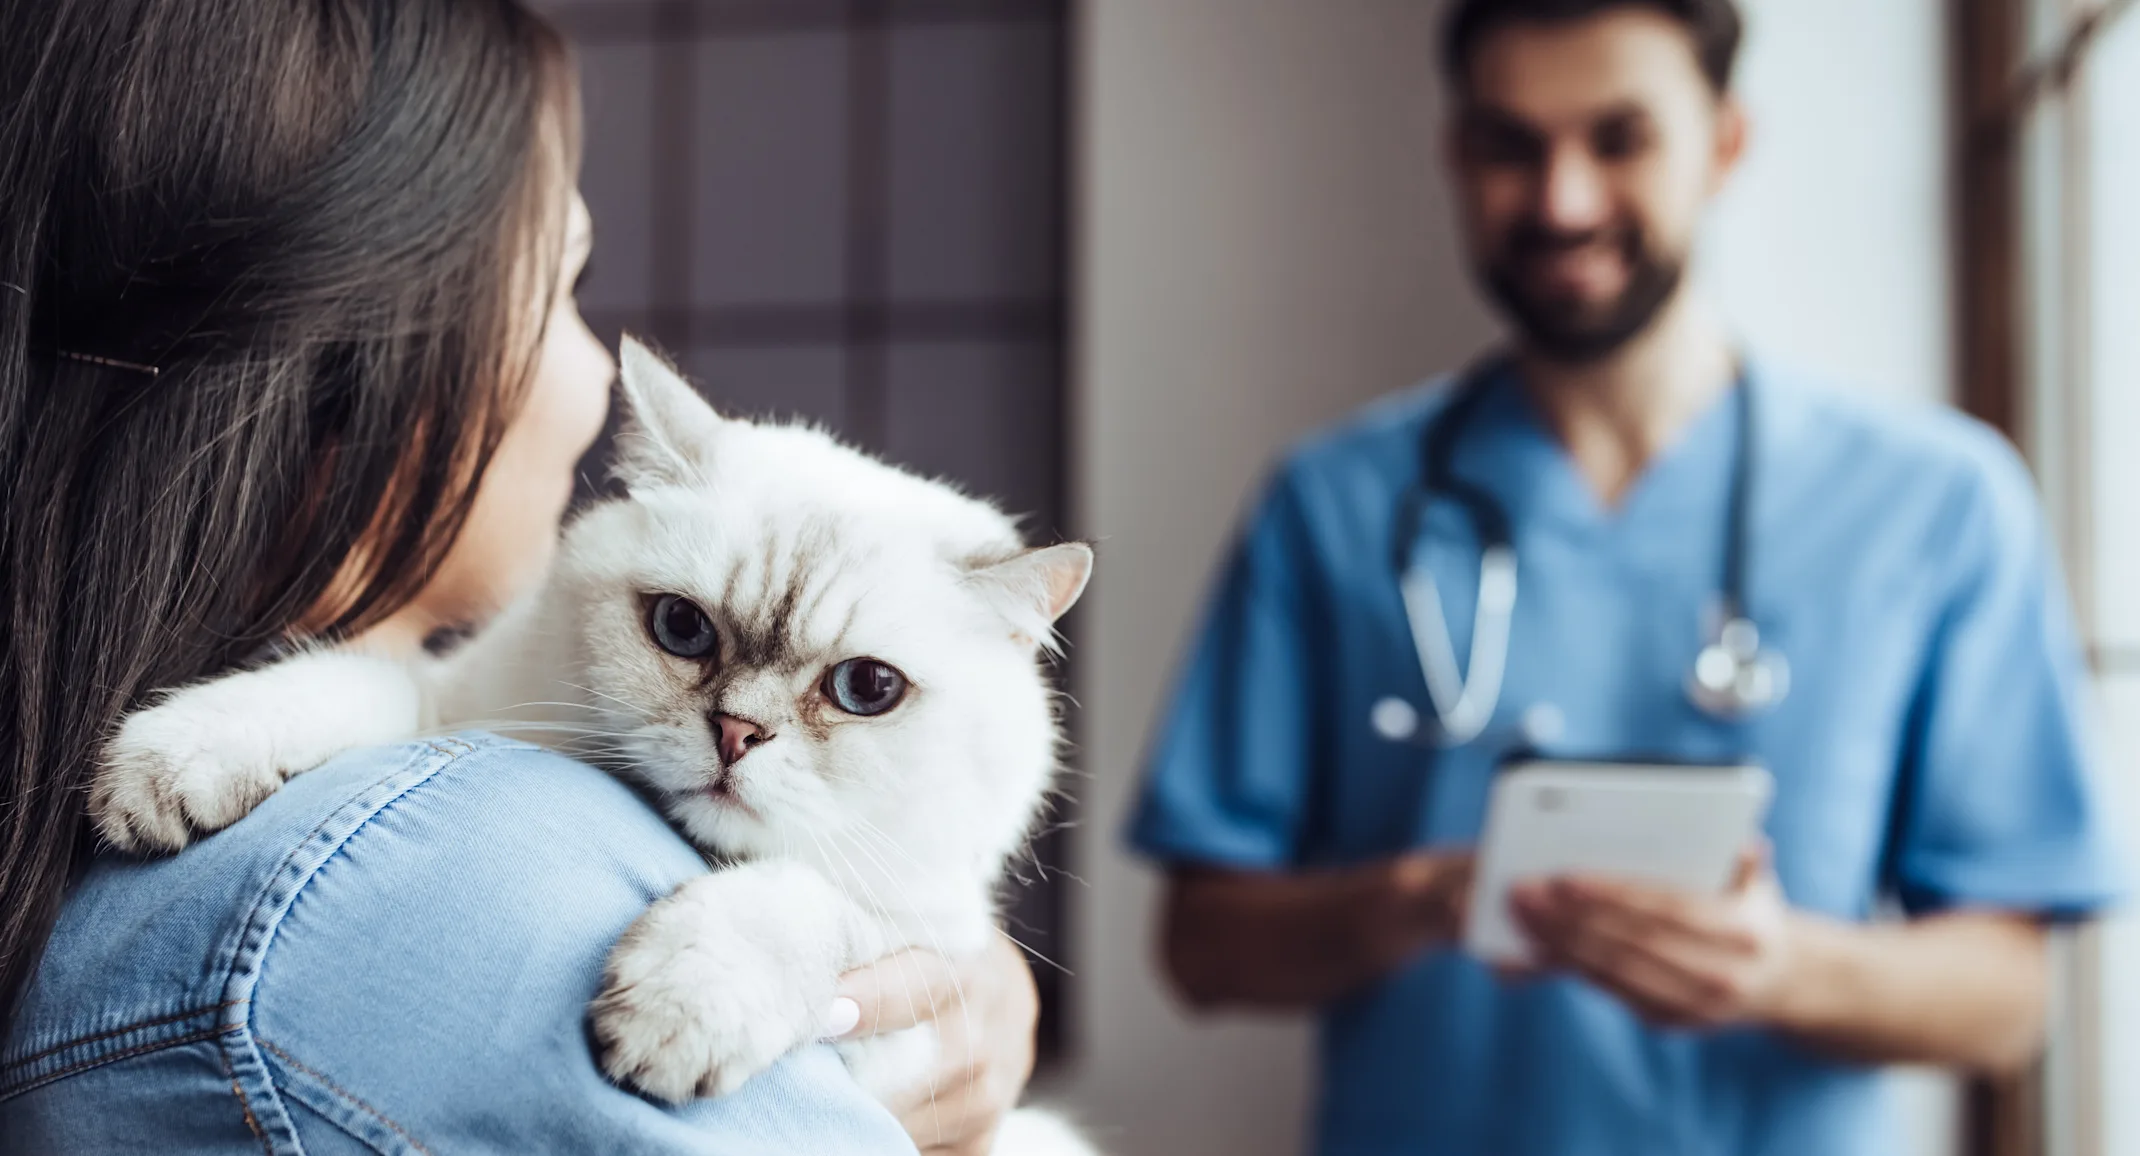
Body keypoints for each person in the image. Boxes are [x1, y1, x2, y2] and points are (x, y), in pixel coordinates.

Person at [0, 2, 1033, 1153]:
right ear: (351, 350)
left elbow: (424, 707)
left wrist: (942, 961)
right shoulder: (452, 873)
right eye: (565, 288)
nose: (601, 371)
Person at [1127, 1, 2123, 1154]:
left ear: (1725, 144)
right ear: (1455, 154)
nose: (1561, 200)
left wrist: (1781, 967)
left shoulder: (1936, 502)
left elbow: (2007, 1000)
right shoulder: (1331, 503)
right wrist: (1421, 901)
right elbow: (1200, 946)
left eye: (1619, 139)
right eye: (1510, 144)